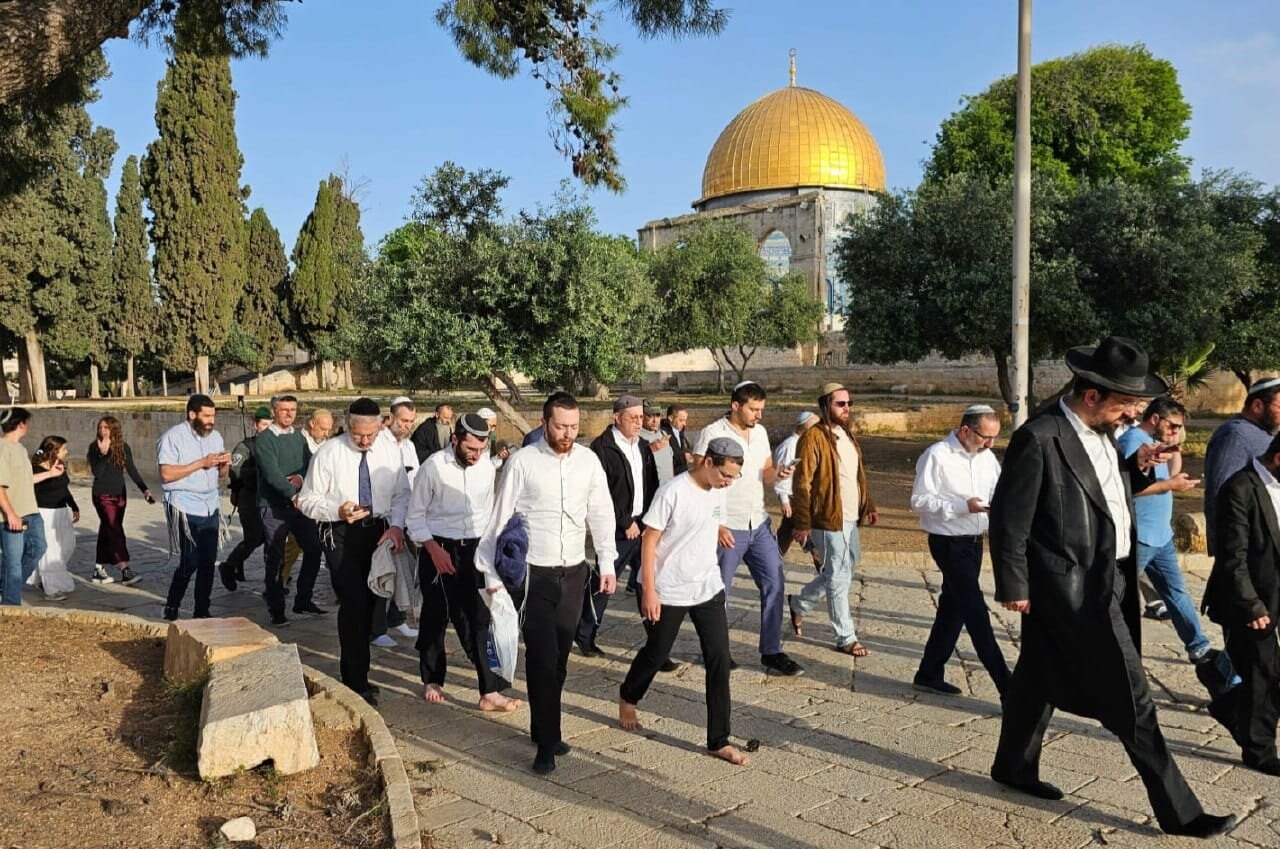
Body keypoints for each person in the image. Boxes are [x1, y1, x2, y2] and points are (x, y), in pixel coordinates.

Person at [988, 336, 1234, 838]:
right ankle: (1182, 813)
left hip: (1115, 573)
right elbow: (1009, 518)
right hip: (1072, 586)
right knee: (1133, 696)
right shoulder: (1040, 437)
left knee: (1036, 677)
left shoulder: (1107, 434)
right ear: (1092, 395)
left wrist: (1137, 468)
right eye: (1127, 404)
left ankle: (1013, 766)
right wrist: (1013, 582)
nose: (1134, 413)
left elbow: (1103, 492)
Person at [476, 392, 617, 775]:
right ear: (544, 422)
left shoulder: (588, 462)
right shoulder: (522, 462)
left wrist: (606, 562)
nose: (568, 434)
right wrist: (490, 575)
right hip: (534, 575)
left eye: (574, 427)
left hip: (574, 573)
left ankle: (543, 726)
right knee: (540, 657)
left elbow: (601, 513)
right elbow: (499, 518)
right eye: (560, 426)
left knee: (559, 659)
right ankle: (547, 743)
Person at [617, 437, 749, 766]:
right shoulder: (672, 491)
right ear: (708, 462)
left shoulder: (718, 489)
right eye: (726, 475)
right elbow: (649, 540)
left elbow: (711, 515)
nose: (728, 482)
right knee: (657, 652)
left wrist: (719, 529)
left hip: (707, 585)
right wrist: (649, 590)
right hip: (668, 587)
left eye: (734, 477)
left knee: (719, 658)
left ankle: (719, 740)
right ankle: (628, 696)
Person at [297, 398, 411, 707]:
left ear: (380, 427)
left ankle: (361, 673)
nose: (363, 440)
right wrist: (337, 509)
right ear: (348, 426)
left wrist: (396, 526)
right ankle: (354, 680)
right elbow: (306, 500)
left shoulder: (389, 451)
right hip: (340, 532)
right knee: (354, 604)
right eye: (358, 434)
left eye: (370, 435)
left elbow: (402, 494)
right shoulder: (329, 453)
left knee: (372, 603)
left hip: (378, 531)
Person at [1117, 398, 1236, 689]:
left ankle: (1199, 647)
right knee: (1119, 599)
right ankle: (1109, 654)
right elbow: (1129, 488)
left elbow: (1170, 476)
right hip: (1140, 536)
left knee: (1177, 592)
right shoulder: (1133, 441)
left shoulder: (1154, 442)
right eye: (1173, 426)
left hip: (1161, 535)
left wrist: (1175, 453)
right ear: (1155, 419)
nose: (1176, 431)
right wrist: (1171, 486)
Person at [406, 413, 521, 712]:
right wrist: (433, 548)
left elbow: (490, 511)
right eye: (470, 448)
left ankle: (489, 691)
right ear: (455, 439)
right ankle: (432, 679)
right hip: (439, 548)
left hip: (476, 550)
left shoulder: (486, 467)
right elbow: (414, 517)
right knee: (436, 616)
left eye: (481, 449)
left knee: (480, 618)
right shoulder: (433, 467)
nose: (476, 455)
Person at [692, 381, 803, 676]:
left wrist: (779, 472)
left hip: (759, 523)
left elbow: (765, 474)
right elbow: (698, 479)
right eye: (753, 409)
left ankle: (772, 651)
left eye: (761, 409)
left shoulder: (761, 433)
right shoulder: (712, 433)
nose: (758, 415)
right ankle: (716, 652)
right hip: (727, 524)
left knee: (775, 583)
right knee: (720, 591)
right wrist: (715, 523)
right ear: (735, 405)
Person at [908, 405, 1011, 696]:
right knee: (976, 612)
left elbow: (998, 491)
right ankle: (1007, 687)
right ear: (965, 430)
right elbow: (919, 500)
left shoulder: (987, 458)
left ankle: (929, 673)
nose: (990, 444)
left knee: (953, 610)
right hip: (948, 542)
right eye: (984, 437)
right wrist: (961, 506)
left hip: (975, 542)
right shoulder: (937, 455)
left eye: (994, 437)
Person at [1203, 432, 1280, 776]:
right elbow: (1232, 557)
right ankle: (1259, 751)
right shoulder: (1239, 489)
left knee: (1267, 673)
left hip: (1276, 591)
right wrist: (1251, 605)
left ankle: (1231, 706)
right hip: (1247, 598)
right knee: (1263, 672)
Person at [788, 383, 879, 657]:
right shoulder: (813, 438)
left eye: (849, 403)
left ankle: (799, 604)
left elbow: (857, 475)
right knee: (838, 578)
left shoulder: (847, 435)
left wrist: (868, 504)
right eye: (840, 403)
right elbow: (802, 482)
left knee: (842, 572)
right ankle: (845, 637)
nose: (847, 408)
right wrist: (803, 523)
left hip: (850, 518)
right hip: (827, 520)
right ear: (826, 405)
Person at [579, 396, 659, 652]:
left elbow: (651, 484)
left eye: (641, 417)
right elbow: (601, 493)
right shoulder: (602, 448)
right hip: (616, 530)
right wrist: (625, 521)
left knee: (647, 583)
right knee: (604, 583)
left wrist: (649, 520)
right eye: (633, 418)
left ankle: (658, 644)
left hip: (642, 526)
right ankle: (585, 634)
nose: (639, 422)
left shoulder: (643, 446)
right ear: (617, 417)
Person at [157, 395, 230, 621]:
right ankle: (172, 604)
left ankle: (202, 610)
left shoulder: (215, 437)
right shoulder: (172, 437)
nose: (211, 421)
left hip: (210, 505)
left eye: (213, 416)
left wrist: (224, 464)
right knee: (190, 560)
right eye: (206, 416)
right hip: (183, 504)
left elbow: (221, 475)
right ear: (192, 414)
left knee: (208, 561)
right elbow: (166, 474)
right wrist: (201, 463)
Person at [254, 394, 325, 626]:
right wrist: (292, 493)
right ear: (274, 411)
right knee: (275, 557)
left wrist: (301, 479)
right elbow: (271, 473)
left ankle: (303, 599)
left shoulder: (298, 438)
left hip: (298, 505)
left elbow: (309, 464)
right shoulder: (265, 439)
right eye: (284, 410)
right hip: (274, 506)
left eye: (293, 410)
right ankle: (276, 609)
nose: (289, 414)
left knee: (314, 549)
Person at [1204, 376, 1280, 555]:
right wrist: (1229, 549)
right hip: (1248, 548)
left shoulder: (1263, 433)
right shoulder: (1235, 436)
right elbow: (1221, 494)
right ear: (1258, 405)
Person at [370, 396, 421, 645]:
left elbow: (415, 478)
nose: (407, 426)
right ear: (391, 418)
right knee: (384, 571)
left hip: (406, 517)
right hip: (384, 518)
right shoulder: (377, 443)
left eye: (411, 421)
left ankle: (396, 618)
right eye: (403, 421)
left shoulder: (408, 446)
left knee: (404, 569)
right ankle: (376, 629)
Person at [86, 415, 152, 585]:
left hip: (120, 494)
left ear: (114, 429)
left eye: (106, 428)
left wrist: (144, 489)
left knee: (107, 529)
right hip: (102, 495)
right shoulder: (94, 447)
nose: (102, 431)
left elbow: (132, 470)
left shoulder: (123, 447)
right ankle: (125, 569)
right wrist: (103, 454)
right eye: (100, 427)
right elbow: (97, 473)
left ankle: (98, 569)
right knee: (115, 529)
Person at [218, 405, 271, 590]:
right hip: (250, 498)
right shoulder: (245, 447)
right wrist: (260, 471)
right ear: (256, 425)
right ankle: (229, 565)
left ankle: (273, 579)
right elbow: (235, 470)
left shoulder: (275, 445)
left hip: (269, 499)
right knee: (253, 537)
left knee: (269, 538)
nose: (267, 429)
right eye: (264, 425)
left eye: (270, 425)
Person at [0, 409, 45, 605]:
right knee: (13, 562)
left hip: (31, 513)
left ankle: (6, 585)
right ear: (21, 424)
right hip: (12, 515)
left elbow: (26, 480)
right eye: (27, 422)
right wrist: (10, 514)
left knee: (38, 549)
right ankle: (10, 603)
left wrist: (50, 474)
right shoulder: (2, 449)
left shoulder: (20, 449)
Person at [30, 436, 79, 601]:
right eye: (64, 449)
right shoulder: (36, 469)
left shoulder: (60, 465)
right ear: (54, 450)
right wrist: (49, 474)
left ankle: (40, 578)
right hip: (45, 513)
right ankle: (51, 588)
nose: (67, 452)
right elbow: (28, 484)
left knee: (67, 546)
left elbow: (64, 488)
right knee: (51, 551)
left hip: (61, 512)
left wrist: (73, 505)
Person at [773, 411, 818, 559]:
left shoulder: (804, 443)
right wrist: (784, 500)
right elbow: (782, 474)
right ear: (806, 425)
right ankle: (823, 567)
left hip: (802, 497)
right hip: (795, 499)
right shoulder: (790, 446)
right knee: (809, 535)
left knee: (786, 533)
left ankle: (770, 560)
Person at [640, 400, 675, 484]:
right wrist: (649, 449)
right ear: (642, 416)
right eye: (650, 416)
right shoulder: (637, 437)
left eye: (658, 415)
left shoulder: (663, 434)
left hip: (668, 487)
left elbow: (670, 462)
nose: (655, 420)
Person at [661, 404, 691, 477]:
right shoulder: (663, 433)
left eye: (685, 420)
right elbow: (666, 458)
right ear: (671, 418)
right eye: (681, 420)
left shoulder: (680, 428)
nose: (684, 424)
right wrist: (683, 457)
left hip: (682, 473)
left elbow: (679, 448)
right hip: (672, 476)